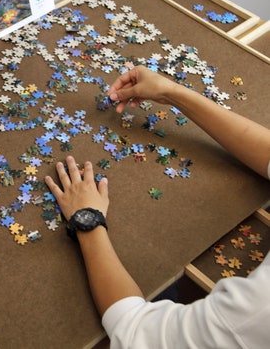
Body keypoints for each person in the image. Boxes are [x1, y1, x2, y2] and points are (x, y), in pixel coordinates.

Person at [45, 66, 270, 348]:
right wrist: (172, 92)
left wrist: (86, 219)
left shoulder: (254, 316)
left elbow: (134, 330)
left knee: (159, 287)